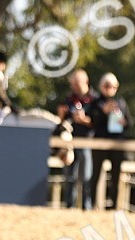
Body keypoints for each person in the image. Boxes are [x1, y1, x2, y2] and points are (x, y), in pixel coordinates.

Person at [88, 72, 132, 210]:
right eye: (107, 86)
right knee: (95, 175)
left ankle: (114, 206)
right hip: (100, 143)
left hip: (117, 144)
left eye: (113, 86)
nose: (110, 88)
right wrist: (103, 112)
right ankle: (92, 204)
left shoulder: (121, 102)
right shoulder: (95, 103)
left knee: (116, 177)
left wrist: (124, 122)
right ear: (101, 86)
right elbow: (92, 122)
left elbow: (129, 123)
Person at [57, 69, 95, 209]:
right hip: (70, 144)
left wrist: (85, 120)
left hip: (87, 142)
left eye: (76, 83)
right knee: (70, 177)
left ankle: (87, 207)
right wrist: (61, 115)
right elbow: (62, 122)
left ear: (85, 82)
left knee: (86, 178)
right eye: (72, 84)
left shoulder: (95, 100)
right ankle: (69, 207)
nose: (74, 86)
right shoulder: (68, 99)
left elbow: (98, 122)